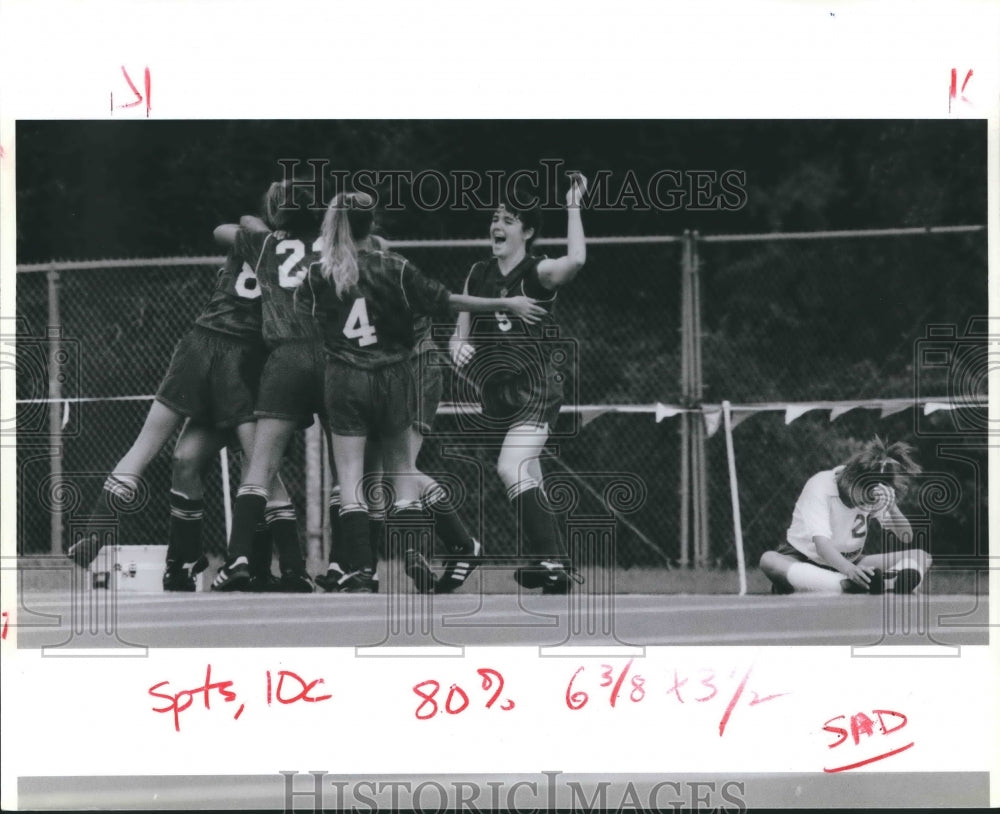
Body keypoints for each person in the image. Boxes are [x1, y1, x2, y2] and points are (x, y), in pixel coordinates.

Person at [311, 191, 547, 593]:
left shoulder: (334, 271)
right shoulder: (388, 267)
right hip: (390, 372)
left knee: (383, 472)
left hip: (407, 369)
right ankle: (358, 563)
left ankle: (436, 548)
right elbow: (444, 301)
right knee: (381, 473)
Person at [68, 190, 297, 592]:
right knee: (252, 469)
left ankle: (102, 533)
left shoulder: (250, 236)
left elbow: (228, 227)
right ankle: (233, 564)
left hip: (200, 344)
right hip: (244, 359)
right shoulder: (310, 252)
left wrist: (261, 229)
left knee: (162, 452)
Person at [448, 172, 588, 594]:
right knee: (529, 473)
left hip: (536, 388)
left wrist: (573, 205)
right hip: (499, 395)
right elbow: (461, 333)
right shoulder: (478, 273)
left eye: (509, 219)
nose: (498, 224)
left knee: (510, 467)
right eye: (495, 217)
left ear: (526, 231)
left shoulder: (537, 272)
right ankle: (557, 568)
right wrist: (456, 348)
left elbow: (577, 261)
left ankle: (548, 559)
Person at [210, 181, 328, 592]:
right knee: (351, 468)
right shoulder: (330, 244)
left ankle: (237, 557)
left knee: (259, 466)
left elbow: (225, 229)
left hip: (286, 358)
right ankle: (353, 568)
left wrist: (263, 224)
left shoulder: (262, 243)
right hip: (333, 358)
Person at [759, 437, 932, 595]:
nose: (866, 503)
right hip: (806, 560)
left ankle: (884, 584)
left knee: (921, 556)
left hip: (851, 562)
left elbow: (906, 536)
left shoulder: (871, 490)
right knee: (769, 560)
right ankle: (843, 584)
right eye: (864, 496)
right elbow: (822, 546)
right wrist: (849, 571)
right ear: (851, 480)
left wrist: (893, 508)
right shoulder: (820, 486)